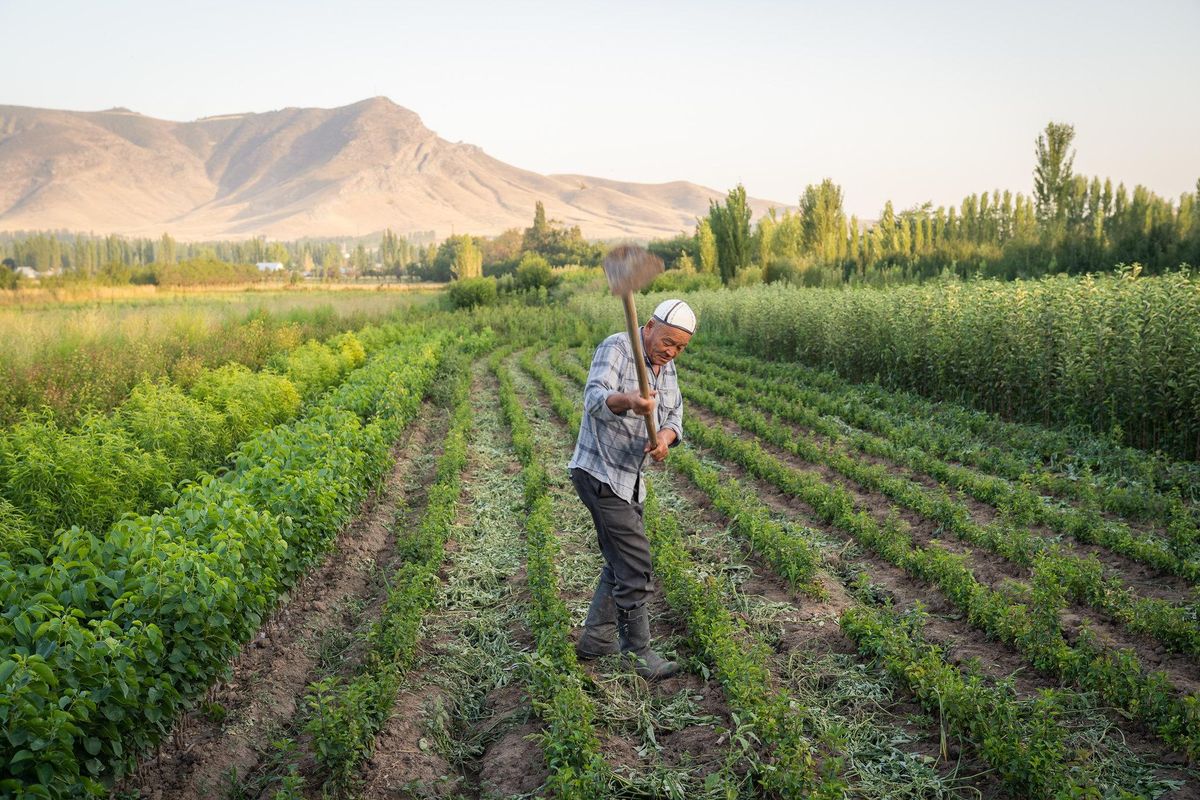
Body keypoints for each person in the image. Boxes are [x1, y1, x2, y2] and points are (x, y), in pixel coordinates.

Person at [567, 298, 696, 679]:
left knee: (620, 561)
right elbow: (594, 398)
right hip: (601, 472)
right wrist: (629, 402)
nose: (671, 352)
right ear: (650, 326)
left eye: (680, 348)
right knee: (636, 565)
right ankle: (638, 654)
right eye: (668, 342)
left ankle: (596, 639)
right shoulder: (619, 347)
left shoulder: (666, 366)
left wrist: (665, 440)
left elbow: (674, 416)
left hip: (630, 479)